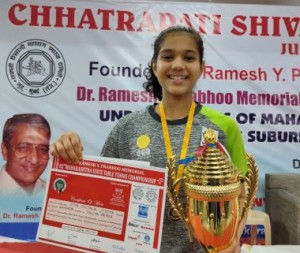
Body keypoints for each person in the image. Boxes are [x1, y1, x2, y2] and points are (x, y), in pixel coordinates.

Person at [51, 26, 249, 253]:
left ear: (201, 67)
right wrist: (69, 154)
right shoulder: (128, 128)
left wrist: (232, 237)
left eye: (188, 57)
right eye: (167, 56)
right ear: (155, 66)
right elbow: (101, 193)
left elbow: (242, 193)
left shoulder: (223, 127)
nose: (177, 64)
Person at [0, 113, 51, 196]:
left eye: (42, 149)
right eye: (23, 148)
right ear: (5, 150)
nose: (34, 160)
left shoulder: (54, 195)